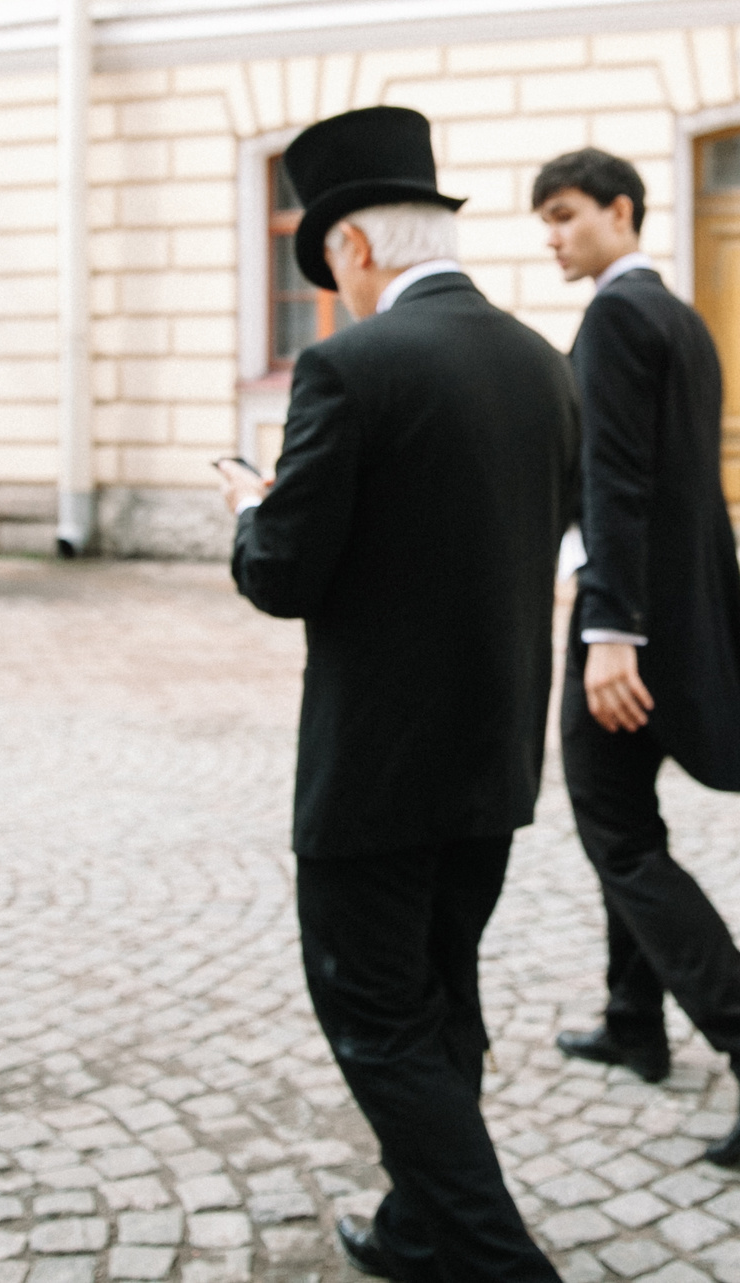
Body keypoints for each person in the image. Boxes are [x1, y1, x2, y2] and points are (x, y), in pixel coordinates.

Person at [224, 106, 580, 1283]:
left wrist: (252, 511)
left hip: (376, 765)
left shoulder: (346, 366)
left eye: (332, 270)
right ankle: (424, 1227)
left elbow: (282, 576)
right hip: (491, 753)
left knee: (374, 1016)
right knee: (443, 999)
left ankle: (490, 1255)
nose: (335, 295)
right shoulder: (539, 361)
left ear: (357, 250)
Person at [531, 146, 740, 1165]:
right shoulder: (679, 317)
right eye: (545, 222)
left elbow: (616, 483)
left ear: (620, 211)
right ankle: (633, 1022)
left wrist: (608, 632)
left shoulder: (616, 318)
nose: (554, 237)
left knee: (616, 836)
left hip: (628, 631)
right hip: (678, 620)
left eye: (566, 215)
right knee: (631, 819)